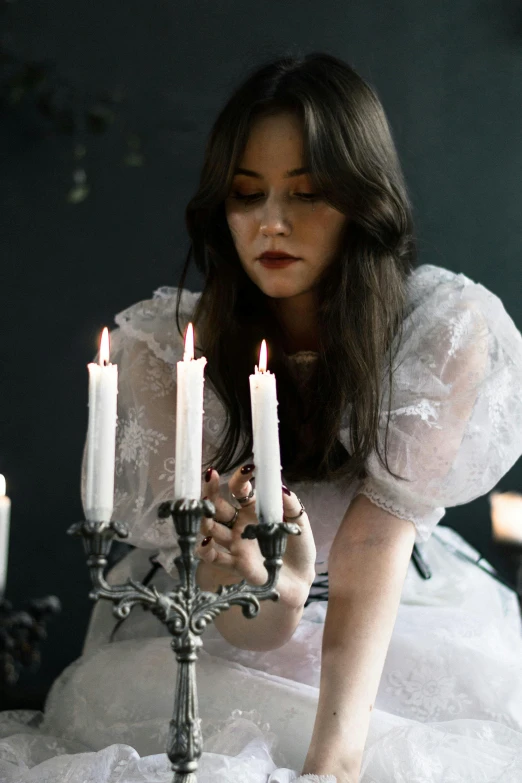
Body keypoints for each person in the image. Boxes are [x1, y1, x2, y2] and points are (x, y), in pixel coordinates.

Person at [2, 51, 522, 783]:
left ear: (361, 199)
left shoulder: (440, 330)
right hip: (210, 635)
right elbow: (239, 612)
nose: (270, 223)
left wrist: (332, 764)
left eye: (306, 193)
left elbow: (373, 547)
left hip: (389, 620)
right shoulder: (165, 351)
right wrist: (263, 592)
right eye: (247, 194)